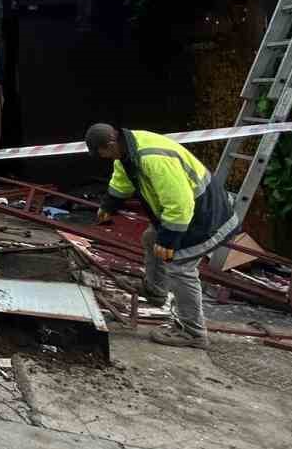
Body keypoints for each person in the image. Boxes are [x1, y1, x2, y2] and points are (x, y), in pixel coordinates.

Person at [86, 122, 239, 349]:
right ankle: (156, 291)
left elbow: (179, 203)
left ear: (110, 144)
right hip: (192, 212)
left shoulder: (153, 159)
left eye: (103, 153)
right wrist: (110, 204)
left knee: (180, 267)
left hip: (205, 217)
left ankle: (193, 332)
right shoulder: (128, 148)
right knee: (150, 238)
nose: (105, 158)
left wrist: (169, 240)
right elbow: (123, 178)